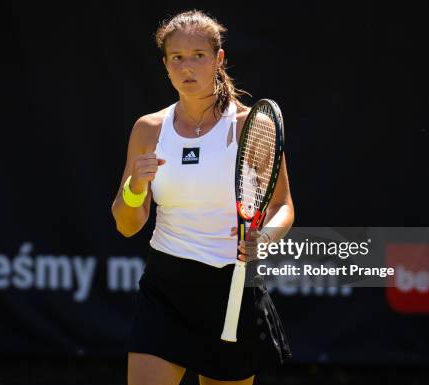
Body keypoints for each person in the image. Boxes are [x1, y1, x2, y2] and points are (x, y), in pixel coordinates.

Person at [111, 10, 294, 385]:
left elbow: (282, 206)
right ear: (165, 65)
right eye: (177, 57)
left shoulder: (249, 126)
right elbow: (127, 225)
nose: (187, 66)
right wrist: (135, 188)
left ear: (219, 59)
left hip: (232, 292)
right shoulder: (148, 129)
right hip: (165, 291)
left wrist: (264, 238)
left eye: (198, 55)